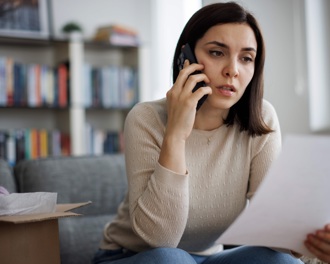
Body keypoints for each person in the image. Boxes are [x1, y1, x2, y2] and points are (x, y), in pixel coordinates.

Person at [93, 2, 330, 264]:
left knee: (281, 262)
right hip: (133, 256)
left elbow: (275, 226)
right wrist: (176, 134)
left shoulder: (261, 119)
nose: (233, 70)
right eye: (217, 53)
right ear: (186, 57)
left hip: (207, 259)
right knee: (171, 259)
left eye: (246, 58)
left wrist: (313, 246)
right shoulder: (146, 118)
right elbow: (161, 240)